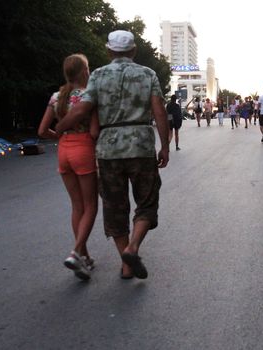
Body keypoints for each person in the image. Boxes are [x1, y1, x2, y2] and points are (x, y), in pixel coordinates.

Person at [56, 30, 169, 280]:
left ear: (109, 51)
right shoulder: (148, 74)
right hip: (140, 146)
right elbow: (159, 112)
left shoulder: (98, 74)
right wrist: (165, 146)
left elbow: (82, 109)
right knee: (147, 202)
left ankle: (127, 265)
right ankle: (133, 248)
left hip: (108, 151)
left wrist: (60, 128)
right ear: (134, 51)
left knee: (115, 207)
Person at [38, 54, 98, 280]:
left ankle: (84, 257)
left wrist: (60, 136)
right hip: (83, 150)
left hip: (63, 151)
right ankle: (75, 253)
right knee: (91, 206)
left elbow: (42, 131)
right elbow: (93, 131)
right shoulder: (89, 96)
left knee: (77, 206)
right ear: (84, 71)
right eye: (88, 68)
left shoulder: (56, 97)